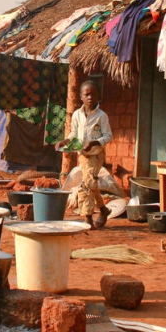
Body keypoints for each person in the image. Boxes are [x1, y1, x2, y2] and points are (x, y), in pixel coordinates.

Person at [57, 80, 113, 229]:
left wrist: (94, 143)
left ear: (98, 97)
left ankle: (87, 218)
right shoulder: (77, 115)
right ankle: (103, 210)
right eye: (87, 94)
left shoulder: (101, 116)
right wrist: (64, 141)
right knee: (91, 183)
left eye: (93, 94)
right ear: (81, 97)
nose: (90, 97)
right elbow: (74, 134)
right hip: (83, 155)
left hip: (96, 155)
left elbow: (108, 136)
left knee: (86, 184)